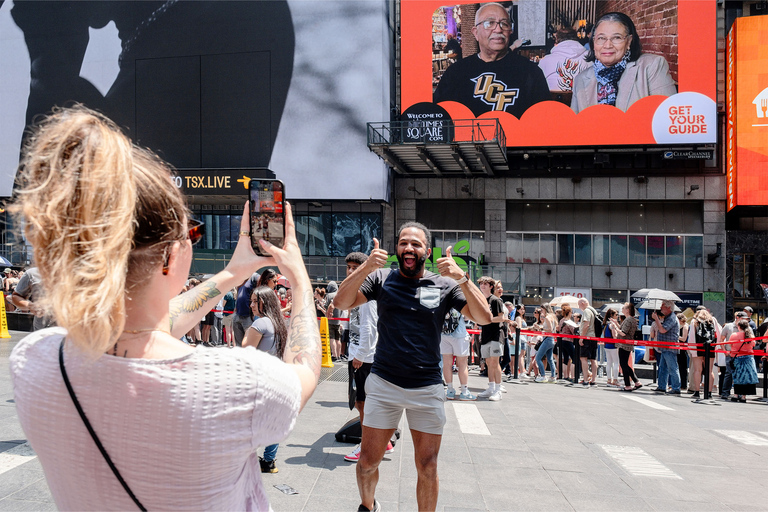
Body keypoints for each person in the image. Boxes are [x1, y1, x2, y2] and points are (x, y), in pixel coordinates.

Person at [8, 106, 321, 511]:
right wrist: (298, 279)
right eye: (192, 231)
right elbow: (307, 367)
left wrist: (231, 274)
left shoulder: (36, 362)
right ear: (171, 257)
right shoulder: (240, 383)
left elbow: (152, 324)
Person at [334, 222, 492, 512]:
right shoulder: (381, 278)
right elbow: (341, 301)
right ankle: (368, 506)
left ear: (427, 252)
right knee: (368, 463)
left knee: (428, 467)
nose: (409, 248)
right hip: (384, 384)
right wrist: (366, 266)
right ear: (397, 250)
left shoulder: (444, 285)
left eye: (416, 244)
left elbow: (484, 317)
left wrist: (463, 278)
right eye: (404, 242)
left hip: (427, 388)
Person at [432, 2, 550, 119]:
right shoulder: (456, 72)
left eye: (504, 24)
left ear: (510, 31)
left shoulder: (531, 71)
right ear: (475, 32)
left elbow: (543, 119)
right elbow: (441, 118)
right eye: (489, 23)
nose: (498, 29)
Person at [341, 252, 394, 463]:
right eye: (349, 267)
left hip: (366, 357)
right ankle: (384, 443)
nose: (351, 271)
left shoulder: (367, 292)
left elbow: (370, 327)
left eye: (356, 267)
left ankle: (366, 446)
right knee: (364, 402)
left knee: (363, 404)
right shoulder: (357, 291)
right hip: (360, 353)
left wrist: (361, 355)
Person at [571, 12, 677, 113]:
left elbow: (666, 119)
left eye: (617, 37)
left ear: (629, 41)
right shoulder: (581, 79)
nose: (607, 45)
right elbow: (575, 126)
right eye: (601, 38)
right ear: (593, 42)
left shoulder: (651, 66)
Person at [243, 285, 289, 474]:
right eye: (252, 301)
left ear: (265, 302)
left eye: (255, 301)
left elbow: (245, 350)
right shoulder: (279, 323)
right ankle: (269, 461)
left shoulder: (260, 324)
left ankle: (246, 460)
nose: (252, 305)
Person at [477, 276, 506, 400]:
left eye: (485, 283)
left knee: (495, 362)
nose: (482, 285)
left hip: (496, 334)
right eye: (481, 284)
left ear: (491, 286)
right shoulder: (481, 300)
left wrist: (488, 320)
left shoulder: (495, 300)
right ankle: (491, 387)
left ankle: (498, 389)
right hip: (485, 334)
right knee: (488, 363)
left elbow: (501, 318)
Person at [442, 307, 477, 401]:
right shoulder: (459, 297)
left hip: (444, 334)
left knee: (447, 364)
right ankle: (464, 391)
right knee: (462, 364)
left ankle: (450, 390)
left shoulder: (443, 295)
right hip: (460, 334)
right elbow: (467, 317)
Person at [538, 27, 589, 91]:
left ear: (557, 40)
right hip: (582, 99)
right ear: (576, 38)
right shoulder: (589, 58)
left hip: (552, 100)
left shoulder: (545, 61)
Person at [609, 302, 641, 391]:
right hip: (626, 344)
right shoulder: (631, 319)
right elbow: (624, 330)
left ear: (627, 310)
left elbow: (623, 333)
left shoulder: (628, 320)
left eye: (623, 308)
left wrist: (615, 327)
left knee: (624, 364)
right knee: (625, 364)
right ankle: (636, 381)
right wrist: (617, 324)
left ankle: (628, 385)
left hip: (624, 345)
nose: (622, 310)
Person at [652, 300, 681, 395]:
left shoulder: (672, 318)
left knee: (672, 368)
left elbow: (663, 330)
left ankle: (676, 388)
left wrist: (656, 319)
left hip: (670, 347)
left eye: (663, 306)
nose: (661, 308)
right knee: (663, 368)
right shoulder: (668, 317)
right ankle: (661, 386)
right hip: (665, 347)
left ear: (669, 308)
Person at [688, 308, 717, 399]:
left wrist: (691, 349)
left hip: (698, 346)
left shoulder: (694, 321)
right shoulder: (713, 320)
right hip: (710, 346)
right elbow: (717, 334)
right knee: (710, 370)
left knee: (697, 370)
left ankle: (697, 392)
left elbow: (692, 336)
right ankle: (709, 392)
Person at [729, 319, 759, 403]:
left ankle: (736, 394)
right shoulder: (750, 336)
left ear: (739, 326)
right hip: (748, 358)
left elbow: (731, 345)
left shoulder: (734, 335)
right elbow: (753, 345)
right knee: (746, 377)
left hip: (737, 358)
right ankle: (743, 396)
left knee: (737, 376)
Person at [232, 272, 260, 347]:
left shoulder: (254, 276)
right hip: (238, 314)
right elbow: (239, 293)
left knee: (248, 343)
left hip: (248, 316)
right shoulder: (242, 279)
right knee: (238, 343)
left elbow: (260, 280)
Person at [577, 298, 599, 387]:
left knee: (583, 358)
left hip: (587, 337)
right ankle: (593, 380)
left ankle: (585, 380)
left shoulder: (586, 311)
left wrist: (581, 337)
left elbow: (586, 324)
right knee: (593, 359)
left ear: (582, 303)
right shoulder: (593, 311)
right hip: (593, 337)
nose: (579, 307)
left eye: (579, 305)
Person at [535, 303, 557, 383]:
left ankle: (543, 376)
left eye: (542, 309)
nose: (541, 311)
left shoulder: (547, 317)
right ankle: (553, 376)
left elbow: (550, 329)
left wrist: (541, 328)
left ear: (545, 309)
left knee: (538, 358)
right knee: (550, 359)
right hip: (551, 340)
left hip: (547, 339)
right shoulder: (552, 317)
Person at [557, 304, 576, 382]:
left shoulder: (561, 320)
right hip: (568, 340)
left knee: (565, 358)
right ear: (569, 312)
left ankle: (565, 376)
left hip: (562, 340)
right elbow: (573, 331)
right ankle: (573, 376)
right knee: (574, 358)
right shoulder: (569, 322)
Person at [603, 308, 620, 388]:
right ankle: (615, 380)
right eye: (616, 314)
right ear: (611, 315)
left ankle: (609, 380)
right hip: (613, 345)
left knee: (609, 362)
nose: (617, 316)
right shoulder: (612, 325)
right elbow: (614, 336)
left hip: (606, 345)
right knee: (616, 362)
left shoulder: (605, 324)